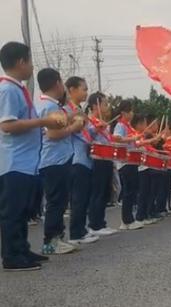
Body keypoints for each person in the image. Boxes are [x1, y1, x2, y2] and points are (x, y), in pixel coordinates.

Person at [1, 42, 64, 271]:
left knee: (24, 209)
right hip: (14, 162)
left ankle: (22, 248)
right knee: (13, 211)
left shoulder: (17, 88)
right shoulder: (7, 89)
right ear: (20, 62)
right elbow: (7, 125)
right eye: (29, 60)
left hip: (26, 163)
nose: (31, 65)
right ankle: (11, 256)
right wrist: (43, 121)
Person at [36, 68, 84, 255]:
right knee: (56, 202)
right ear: (57, 83)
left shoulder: (46, 104)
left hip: (56, 159)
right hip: (54, 160)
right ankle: (52, 240)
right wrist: (74, 127)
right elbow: (53, 134)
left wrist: (73, 118)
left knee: (58, 200)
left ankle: (56, 238)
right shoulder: (49, 107)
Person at [65, 77, 100, 245]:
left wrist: (94, 130)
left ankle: (81, 230)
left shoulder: (79, 109)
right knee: (78, 197)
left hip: (85, 158)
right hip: (76, 158)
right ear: (72, 89)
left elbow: (84, 134)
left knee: (84, 196)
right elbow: (72, 132)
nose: (86, 92)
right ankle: (76, 233)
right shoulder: (67, 109)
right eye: (83, 89)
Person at [85, 92, 119, 236]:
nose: (107, 107)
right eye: (104, 104)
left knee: (105, 192)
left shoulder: (106, 124)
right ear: (95, 106)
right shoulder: (89, 121)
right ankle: (94, 224)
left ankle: (101, 222)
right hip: (97, 159)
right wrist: (95, 129)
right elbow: (87, 136)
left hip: (107, 159)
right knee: (97, 192)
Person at [112, 100, 145, 231]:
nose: (132, 113)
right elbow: (117, 138)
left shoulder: (128, 126)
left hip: (131, 161)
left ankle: (128, 219)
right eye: (130, 111)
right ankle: (127, 220)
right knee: (128, 192)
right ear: (123, 113)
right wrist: (133, 139)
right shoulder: (120, 125)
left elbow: (133, 143)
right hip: (125, 162)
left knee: (131, 191)